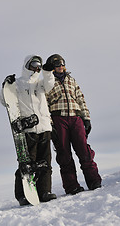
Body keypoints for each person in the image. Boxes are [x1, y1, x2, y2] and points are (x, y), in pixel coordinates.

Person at [0, 55, 57, 206]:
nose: (37, 67)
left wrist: (48, 71)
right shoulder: (18, 83)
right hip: (28, 129)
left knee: (45, 162)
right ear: (27, 65)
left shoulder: (41, 82)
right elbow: (4, 100)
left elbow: (50, 84)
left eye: (39, 64)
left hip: (44, 126)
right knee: (26, 163)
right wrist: (6, 86)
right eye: (34, 64)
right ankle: (22, 195)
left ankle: (44, 191)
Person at [45, 54, 102, 195]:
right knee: (64, 153)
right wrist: (50, 125)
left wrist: (86, 118)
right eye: (57, 64)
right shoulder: (47, 83)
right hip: (59, 118)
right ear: (52, 67)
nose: (60, 67)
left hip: (75, 118)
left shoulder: (71, 80)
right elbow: (44, 105)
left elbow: (81, 99)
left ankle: (94, 181)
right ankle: (72, 186)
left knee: (84, 150)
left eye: (62, 64)